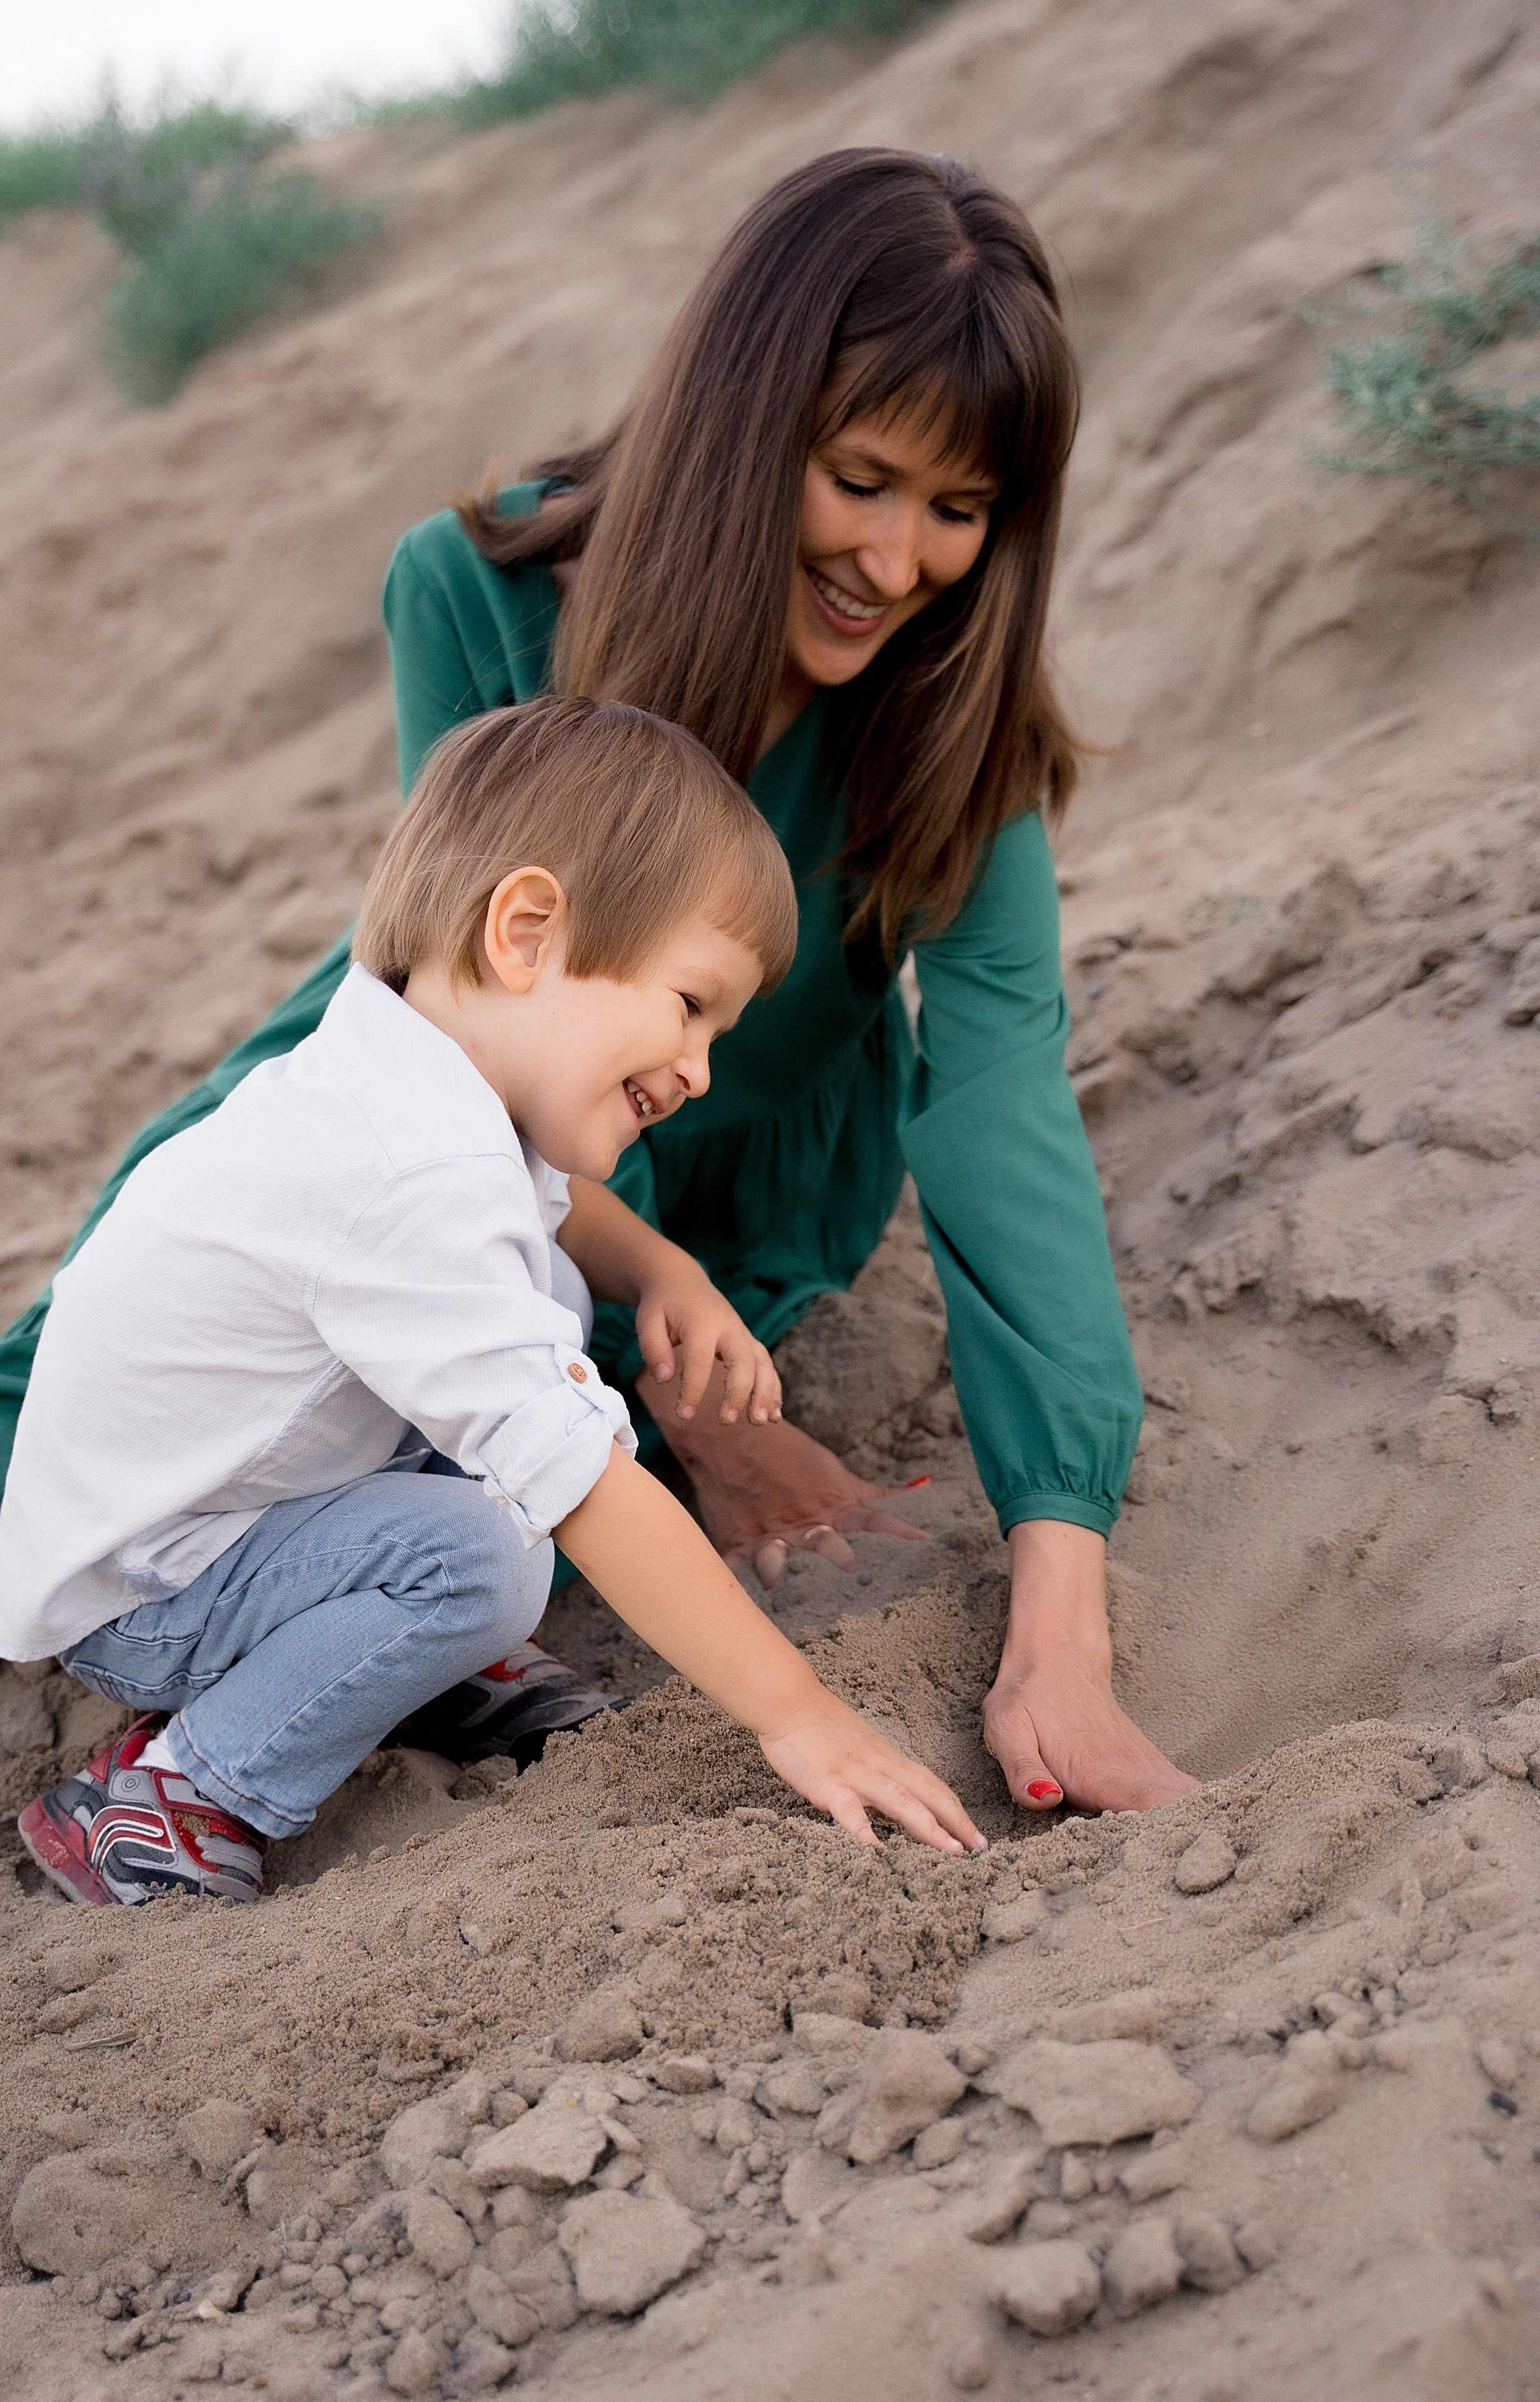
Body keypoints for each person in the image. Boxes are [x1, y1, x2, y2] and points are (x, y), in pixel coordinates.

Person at [0, 148, 1195, 1817]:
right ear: (753, 419)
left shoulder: (951, 728)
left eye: (962, 510)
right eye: (862, 478)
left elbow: (1003, 1117)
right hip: (497, 1106)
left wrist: (1060, 1634)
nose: (902, 560)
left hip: (720, 1161)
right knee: (97, 1375)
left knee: (517, 1454)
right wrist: (686, 1427)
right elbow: (467, 1037)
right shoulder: (477, 596)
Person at [0, 698, 986, 1906]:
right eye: (690, 1005)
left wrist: (663, 1270)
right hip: (152, 1585)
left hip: (207, 1508)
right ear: (525, 932)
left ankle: (403, 1667)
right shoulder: (404, 1175)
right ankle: (174, 1794)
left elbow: (554, 1206)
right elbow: (575, 1482)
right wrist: (800, 1715)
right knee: (485, 1558)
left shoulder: (406, 1071)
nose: (700, 1069)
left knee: (547, 1322)